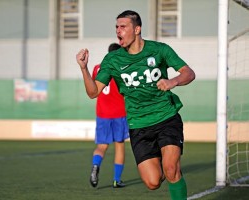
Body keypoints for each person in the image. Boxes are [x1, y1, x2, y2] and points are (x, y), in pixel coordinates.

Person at [76, 10, 195, 199]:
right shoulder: (112, 60)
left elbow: (189, 73)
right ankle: (169, 171)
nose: (118, 31)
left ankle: (173, 173)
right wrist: (84, 68)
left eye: (123, 27)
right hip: (138, 125)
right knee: (153, 182)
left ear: (137, 29)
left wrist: (172, 81)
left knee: (171, 169)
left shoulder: (159, 50)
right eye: (116, 27)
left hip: (166, 117)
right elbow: (93, 92)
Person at [90, 43, 129, 188]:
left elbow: (95, 86)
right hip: (119, 112)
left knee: (101, 146)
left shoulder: (97, 68)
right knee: (119, 146)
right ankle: (116, 180)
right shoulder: (122, 68)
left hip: (102, 113)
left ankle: (95, 165)